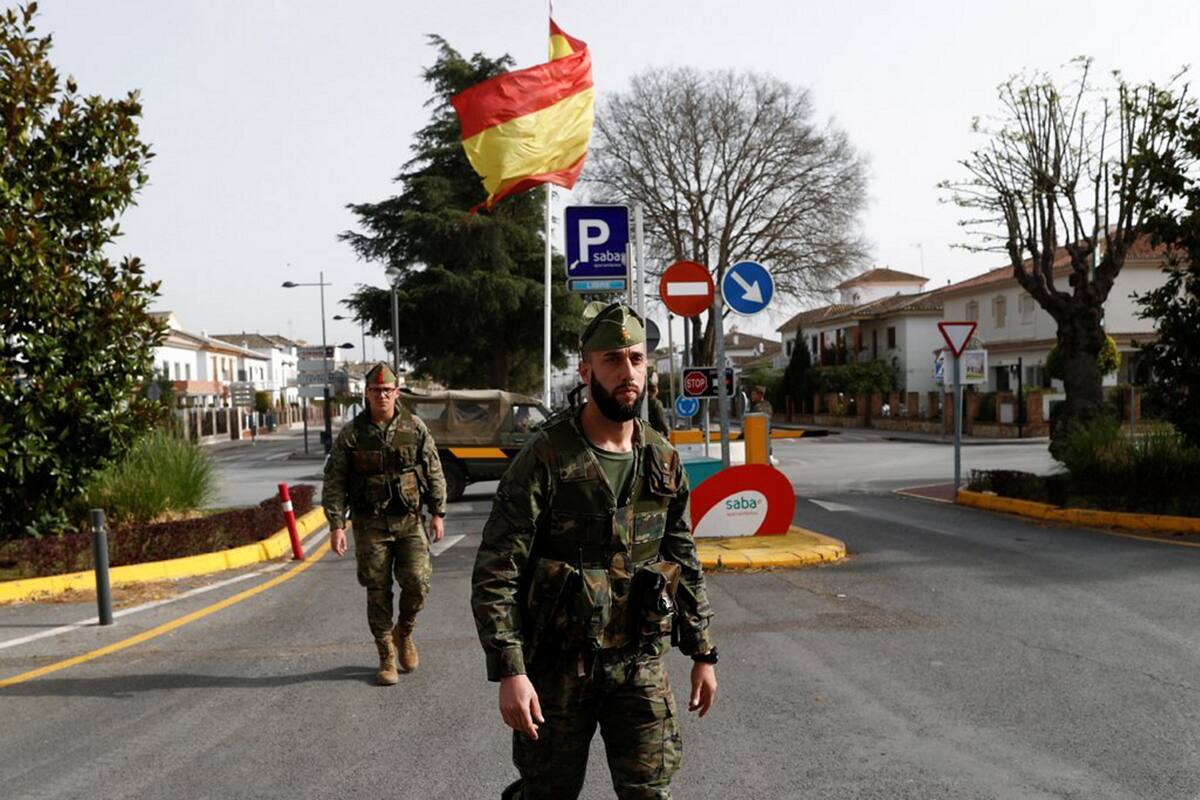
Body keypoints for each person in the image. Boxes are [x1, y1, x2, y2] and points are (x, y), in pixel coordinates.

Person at [472, 302, 718, 800]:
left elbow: (683, 557)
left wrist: (702, 651)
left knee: (651, 791)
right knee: (548, 792)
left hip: (639, 660)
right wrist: (511, 670)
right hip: (560, 666)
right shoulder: (546, 456)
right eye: (612, 360)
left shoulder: (662, 459)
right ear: (586, 370)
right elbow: (499, 569)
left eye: (636, 358)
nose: (628, 372)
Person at [322, 362, 447, 685]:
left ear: (396, 393)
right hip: (369, 525)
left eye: (387, 391)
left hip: (408, 521)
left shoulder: (414, 428)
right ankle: (386, 656)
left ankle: (403, 631)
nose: (382, 396)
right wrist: (336, 524)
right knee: (378, 591)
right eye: (376, 391)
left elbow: (433, 469)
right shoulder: (352, 434)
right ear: (366, 394)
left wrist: (438, 512)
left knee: (418, 582)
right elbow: (335, 479)